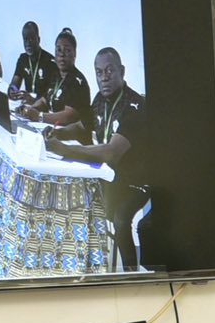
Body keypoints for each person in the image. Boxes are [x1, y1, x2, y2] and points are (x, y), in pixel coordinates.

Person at [45, 48, 152, 270]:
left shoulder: (135, 106)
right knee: (75, 201)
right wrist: (56, 132)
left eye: (109, 71)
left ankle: (132, 274)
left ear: (122, 71)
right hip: (109, 176)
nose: (103, 77)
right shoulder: (100, 99)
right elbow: (83, 126)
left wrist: (64, 150)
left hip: (136, 182)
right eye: (98, 72)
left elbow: (111, 153)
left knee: (121, 221)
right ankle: (83, 264)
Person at [21, 27, 91, 126]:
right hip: (50, 128)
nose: (62, 54)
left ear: (74, 53)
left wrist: (40, 116)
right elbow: (45, 100)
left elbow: (68, 116)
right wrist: (31, 109)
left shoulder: (78, 81)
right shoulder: (56, 75)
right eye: (58, 50)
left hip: (70, 136)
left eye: (67, 50)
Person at [8, 21, 58, 103]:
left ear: (38, 39)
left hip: (44, 109)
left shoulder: (50, 62)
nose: (28, 43)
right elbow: (15, 82)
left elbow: (51, 95)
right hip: (28, 106)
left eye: (32, 39)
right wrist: (12, 90)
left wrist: (34, 99)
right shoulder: (22, 59)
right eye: (25, 39)